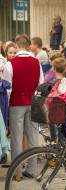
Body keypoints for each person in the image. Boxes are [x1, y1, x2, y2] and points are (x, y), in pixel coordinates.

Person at [2, 34, 44, 174]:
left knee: (16, 137)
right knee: (33, 137)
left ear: (15, 45)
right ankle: (32, 170)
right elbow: (41, 85)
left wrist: (7, 106)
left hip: (16, 102)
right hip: (33, 102)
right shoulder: (36, 62)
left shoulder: (10, 64)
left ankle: (17, 171)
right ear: (28, 46)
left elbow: (8, 88)